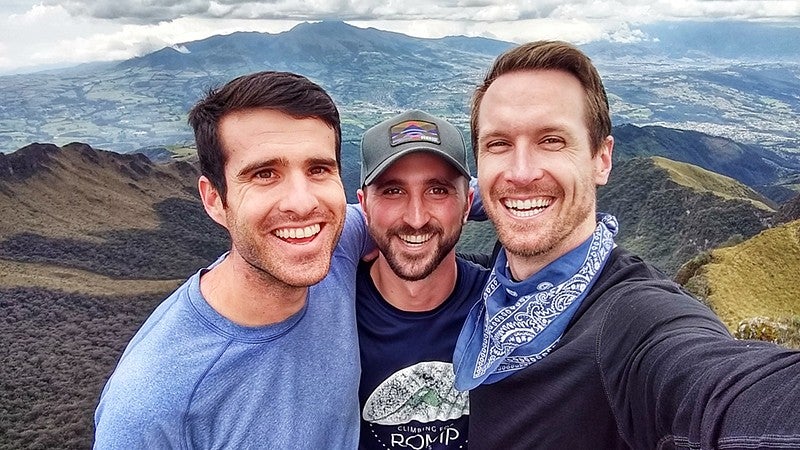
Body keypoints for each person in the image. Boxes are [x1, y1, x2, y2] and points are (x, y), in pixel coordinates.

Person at [453, 40, 800, 449]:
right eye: (499, 145)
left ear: (602, 158)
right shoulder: (485, 287)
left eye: (552, 140)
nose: (522, 172)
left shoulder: (634, 321)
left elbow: (719, 391)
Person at [93, 71, 370, 448]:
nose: (304, 203)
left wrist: (476, 196)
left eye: (318, 169)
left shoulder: (336, 244)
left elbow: (408, 215)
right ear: (214, 200)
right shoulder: (152, 403)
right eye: (264, 174)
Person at [355, 110, 491, 449]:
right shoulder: (329, 312)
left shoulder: (503, 309)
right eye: (393, 191)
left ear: (467, 204)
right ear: (363, 206)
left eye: (438, 190)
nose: (416, 218)